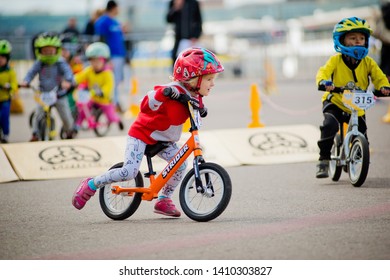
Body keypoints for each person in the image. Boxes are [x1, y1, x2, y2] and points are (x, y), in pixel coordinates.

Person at [72, 47, 223, 217]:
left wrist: (200, 111)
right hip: (141, 135)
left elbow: (196, 120)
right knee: (128, 172)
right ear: (193, 79)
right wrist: (163, 94)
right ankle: (91, 184)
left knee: (181, 164)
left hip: (163, 140)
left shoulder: (195, 97)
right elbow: (145, 105)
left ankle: (163, 199)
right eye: (209, 79)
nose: (213, 83)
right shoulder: (171, 90)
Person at [315, 17, 390, 178]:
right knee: (329, 125)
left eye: (362, 38)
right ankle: (324, 160)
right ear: (342, 40)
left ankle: (357, 157)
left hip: (356, 105)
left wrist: (384, 87)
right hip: (335, 101)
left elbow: (379, 77)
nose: (358, 41)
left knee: (362, 133)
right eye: (353, 38)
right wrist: (324, 82)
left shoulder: (368, 62)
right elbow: (323, 72)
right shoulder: (335, 60)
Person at [20, 32, 76, 141]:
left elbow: (68, 73)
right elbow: (31, 72)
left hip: (59, 94)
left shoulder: (61, 62)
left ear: (57, 50)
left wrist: (68, 82)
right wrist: (26, 81)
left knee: (66, 116)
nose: (48, 53)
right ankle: (35, 134)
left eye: (51, 50)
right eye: (45, 51)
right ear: (39, 51)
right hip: (43, 94)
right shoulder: (40, 62)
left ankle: (69, 130)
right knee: (38, 114)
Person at [73, 42, 123, 132]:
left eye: (98, 61)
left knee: (111, 116)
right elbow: (80, 77)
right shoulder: (89, 70)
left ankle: (118, 120)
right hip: (92, 97)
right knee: (83, 107)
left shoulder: (107, 73)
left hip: (104, 99)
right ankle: (78, 124)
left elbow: (109, 86)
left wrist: (102, 92)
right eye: (92, 61)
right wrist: (72, 81)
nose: (95, 64)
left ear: (104, 61)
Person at [94, 0, 127, 113]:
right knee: (110, 80)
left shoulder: (115, 22)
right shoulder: (103, 22)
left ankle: (115, 103)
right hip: (111, 56)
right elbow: (101, 39)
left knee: (117, 81)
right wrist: (106, 58)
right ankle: (111, 104)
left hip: (119, 55)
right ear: (113, 8)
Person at [166, 0, 203, 67]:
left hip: (191, 38)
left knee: (194, 59)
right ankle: (177, 76)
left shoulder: (193, 3)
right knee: (176, 59)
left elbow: (199, 21)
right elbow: (168, 19)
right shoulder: (173, 2)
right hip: (179, 38)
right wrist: (175, 8)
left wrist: (196, 36)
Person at [0, 40, 18, 143]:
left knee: (4, 117)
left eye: (2, 58)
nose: (0, 60)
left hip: (5, 99)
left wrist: (10, 87)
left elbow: (14, 83)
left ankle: (6, 134)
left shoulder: (10, 71)